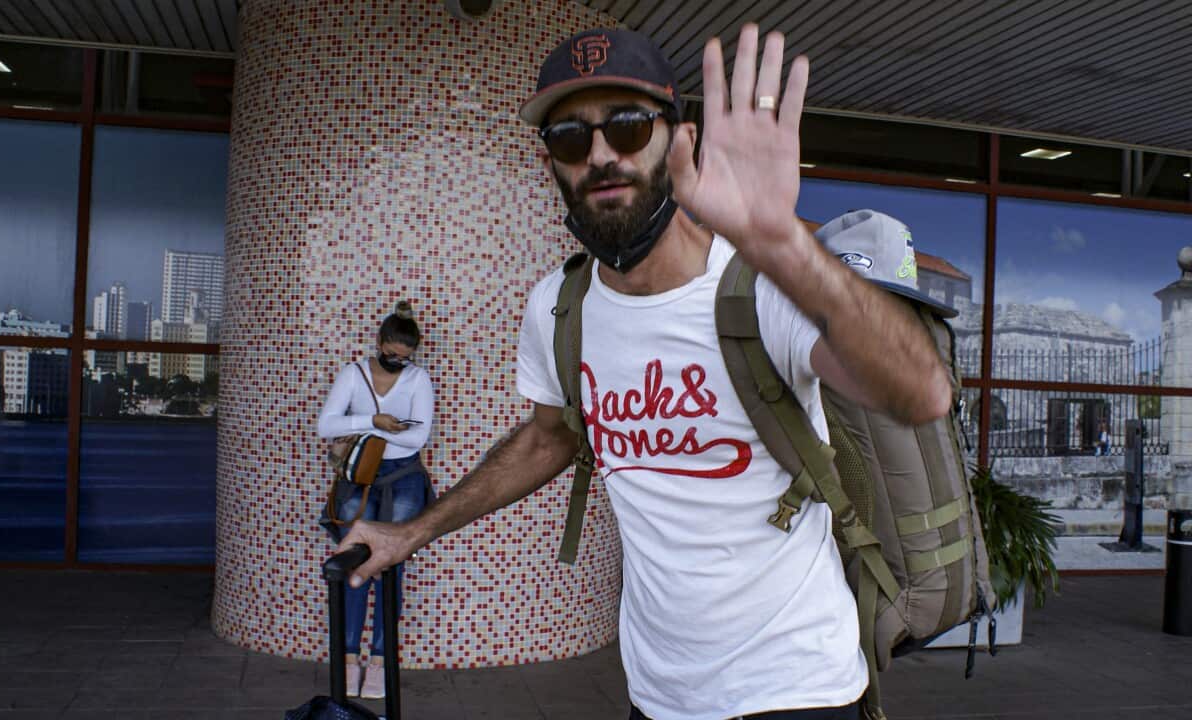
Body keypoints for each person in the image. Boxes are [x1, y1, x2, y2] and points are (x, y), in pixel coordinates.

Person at [338, 25, 952, 719]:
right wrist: (411, 531)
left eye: (628, 127)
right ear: (552, 163)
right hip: (660, 695)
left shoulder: (763, 283)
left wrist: (781, 242)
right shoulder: (559, 306)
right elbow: (547, 438)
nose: (601, 154)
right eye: (571, 138)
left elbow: (921, 392)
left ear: (679, 140)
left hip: (800, 687)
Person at [317, 300, 435, 700]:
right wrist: (376, 422)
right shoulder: (353, 374)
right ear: (380, 342)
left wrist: (366, 433)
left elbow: (418, 438)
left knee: (391, 568)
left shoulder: (418, 379)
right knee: (354, 564)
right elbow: (325, 425)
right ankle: (348, 660)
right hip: (360, 480)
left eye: (405, 357)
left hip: (404, 479)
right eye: (392, 354)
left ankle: (381, 663)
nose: (398, 362)